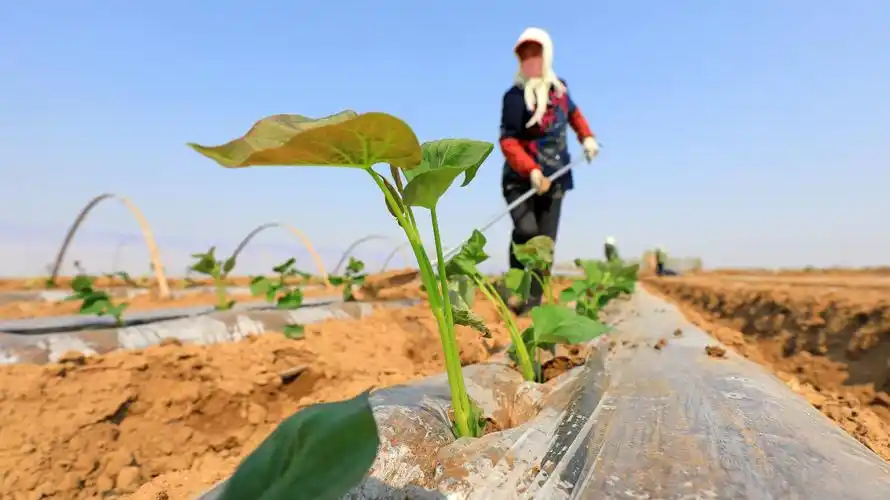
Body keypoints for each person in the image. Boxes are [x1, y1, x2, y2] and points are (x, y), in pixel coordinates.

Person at [499, 27, 600, 313]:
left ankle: (533, 304)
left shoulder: (560, 91)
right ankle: (516, 280)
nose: (531, 60)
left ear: (546, 55)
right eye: (525, 55)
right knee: (527, 231)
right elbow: (508, 140)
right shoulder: (514, 97)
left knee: (545, 245)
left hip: (556, 179)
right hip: (520, 180)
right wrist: (531, 170)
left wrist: (587, 138)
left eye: (536, 53)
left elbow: (574, 115)